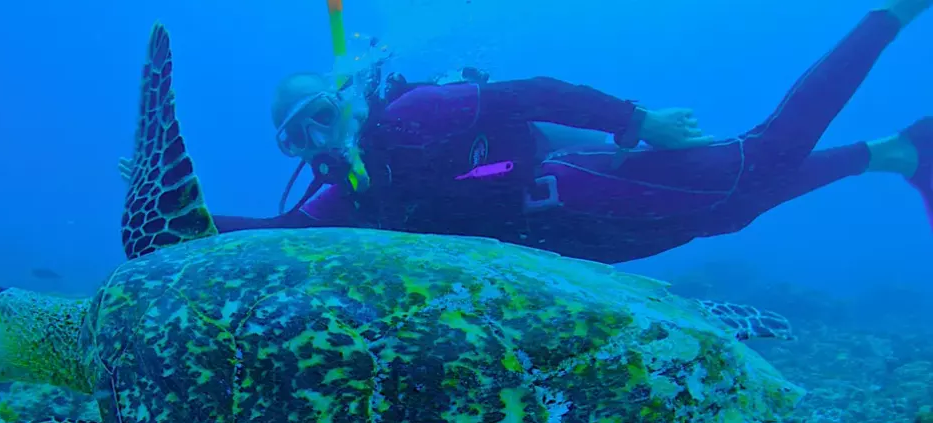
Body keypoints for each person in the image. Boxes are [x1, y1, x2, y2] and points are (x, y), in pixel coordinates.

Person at [121, 0, 933, 264]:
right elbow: (268, 234)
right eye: (297, 138)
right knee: (732, 211)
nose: (318, 141)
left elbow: (536, 90)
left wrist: (636, 121)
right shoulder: (346, 199)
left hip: (596, 185)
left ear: (348, 102)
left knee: (768, 154)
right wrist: (165, 208)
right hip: (588, 247)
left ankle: (890, 14)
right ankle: (894, 152)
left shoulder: (412, 115)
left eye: (321, 115)